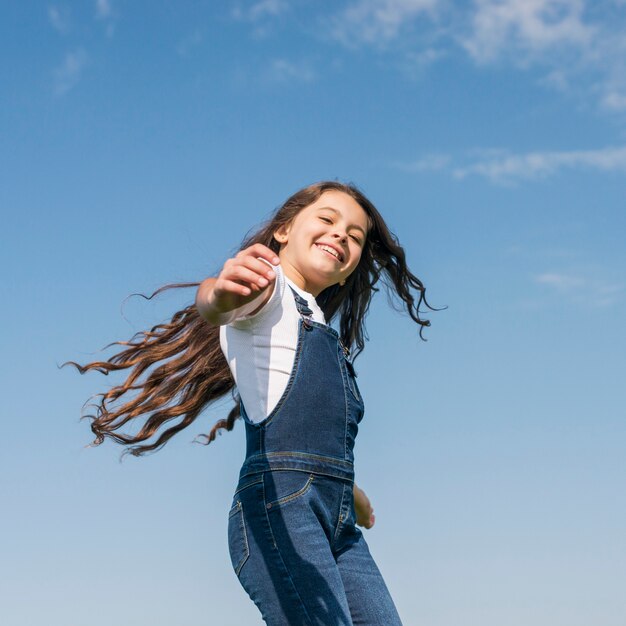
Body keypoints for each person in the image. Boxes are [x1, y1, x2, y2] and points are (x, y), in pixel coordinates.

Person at [66, 180, 435, 625]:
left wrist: (346, 489)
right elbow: (216, 302)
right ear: (283, 230)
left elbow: (316, 435)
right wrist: (220, 292)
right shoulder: (266, 291)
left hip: (337, 523)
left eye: (355, 237)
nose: (341, 235)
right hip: (282, 506)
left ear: (349, 268)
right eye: (327, 219)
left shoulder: (321, 328)